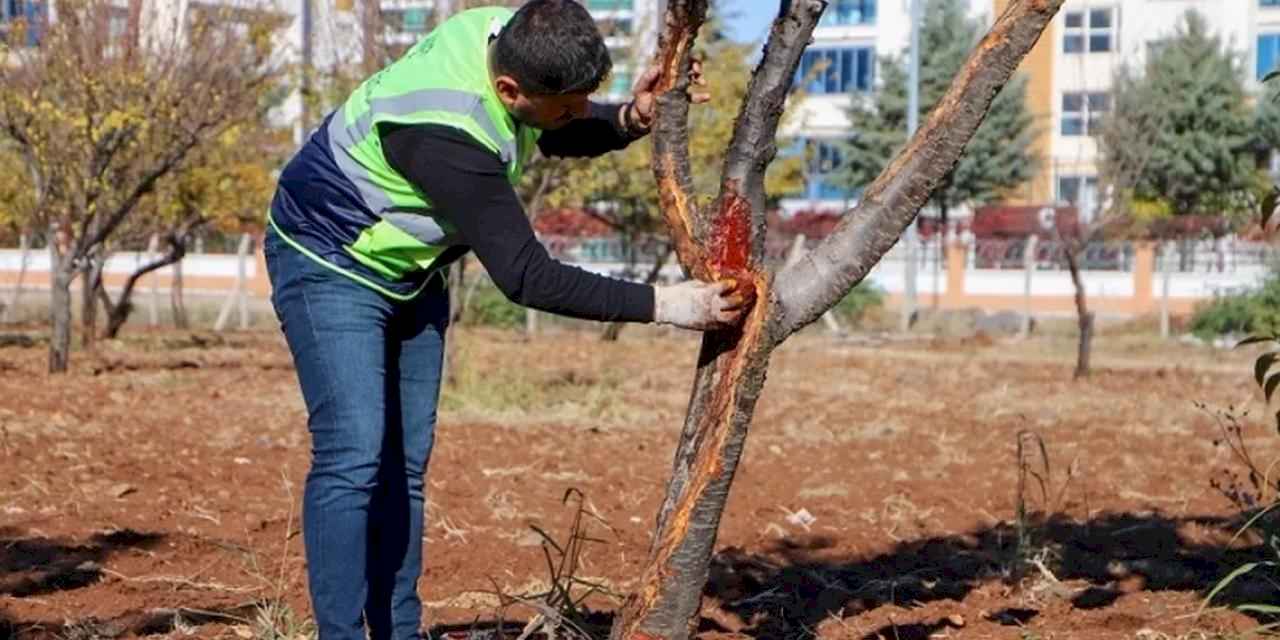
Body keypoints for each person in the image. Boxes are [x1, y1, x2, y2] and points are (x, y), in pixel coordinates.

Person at [262, 1, 746, 638]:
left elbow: (550, 123)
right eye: (569, 105)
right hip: (327, 258)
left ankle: (398, 632)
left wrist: (629, 117)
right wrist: (669, 305)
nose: (576, 116)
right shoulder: (444, 133)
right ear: (508, 88)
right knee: (354, 454)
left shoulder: (510, 33)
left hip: (410, 270)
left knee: (404, 467)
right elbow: (526, 277)